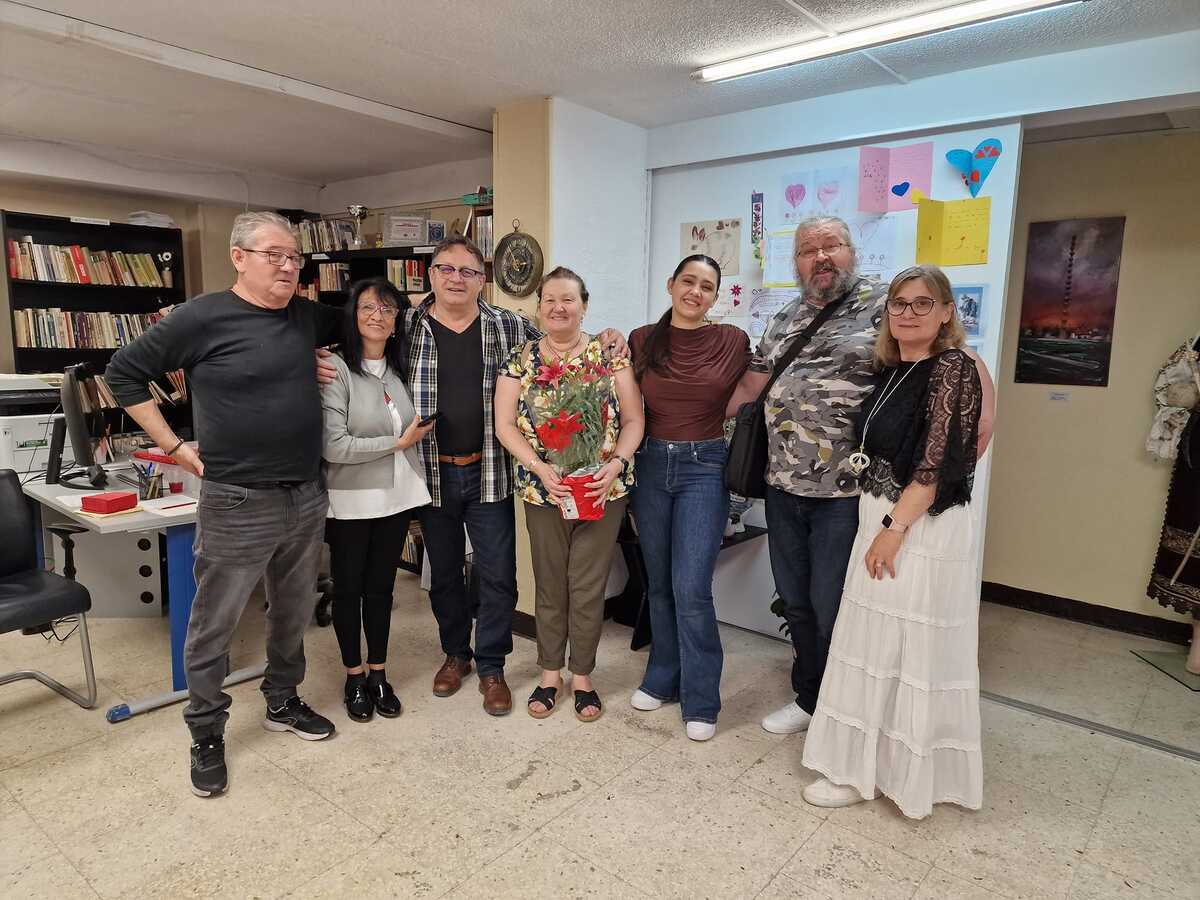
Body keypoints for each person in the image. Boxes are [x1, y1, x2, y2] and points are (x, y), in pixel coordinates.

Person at [725, 216, 994, 739]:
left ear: (853, 251)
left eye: (832, 245)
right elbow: (749, 389)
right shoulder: (785, 316)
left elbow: (959, 379)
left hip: (847, 496)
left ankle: (841, 710)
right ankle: (809, 698)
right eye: (808, 250)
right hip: (782, 488)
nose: (821, 257)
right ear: (796, 262)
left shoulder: (884, 306)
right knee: (796, 602)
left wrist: (930, 486)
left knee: (834, 607)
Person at [105, 211, 341, 798]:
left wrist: (329, 359)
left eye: (295, 257)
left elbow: (369, 319)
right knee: (215, 622)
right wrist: (174, 447)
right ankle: (206, 730)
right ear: (239, 257)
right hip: (237, 499)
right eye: (273, 255)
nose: (288, 266)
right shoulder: (201, 317)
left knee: (292, 612)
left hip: (305, 494)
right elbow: (123, 373)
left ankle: (281, 700)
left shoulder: (305, 316)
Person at [346, 236, 628, 717]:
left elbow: (561, 337)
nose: (456, 279)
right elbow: (361, 329)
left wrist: (611, 336)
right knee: (445, 574)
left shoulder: (508, 325)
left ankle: (492, 666)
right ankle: (456, 654)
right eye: (446, 269)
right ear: (431, 275)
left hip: (490, 470)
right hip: (431, 471)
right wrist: (329, 359)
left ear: (483, 280)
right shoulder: (406, 324)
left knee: (498, 575)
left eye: (468, 271)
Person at [800, 264, 985, 819]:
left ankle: (884, 773)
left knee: (902, 647)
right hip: (883, 514)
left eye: (923, 303)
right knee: (874, 644)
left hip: (915, 525)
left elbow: (937, 465)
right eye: (899, 303)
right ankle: (869, 767)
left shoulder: (953, 367)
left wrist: (895, 528)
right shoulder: (897, 367)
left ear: (947, 312)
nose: (908, 313)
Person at [494, 267, 644, 722]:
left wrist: (616, 463)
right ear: (539, 307)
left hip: (602, 490)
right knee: (550, 583)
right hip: (545, 492)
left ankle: (582, 677)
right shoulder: (520, 358)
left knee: (587, 586)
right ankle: (549, 674)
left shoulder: (610, 355)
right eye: (550, 300)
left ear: (584, 305)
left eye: (569, 300)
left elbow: (634, 420)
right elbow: (504, 425)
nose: (559, 308)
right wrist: (540, 468)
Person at [628, 255, 750, 741]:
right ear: (671, 284)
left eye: (707, 286)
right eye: (688, 281)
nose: (695, 292)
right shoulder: (642, 339)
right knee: (659, 582)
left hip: (705, 465)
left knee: (691, 587)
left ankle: (700, 698)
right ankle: (663, 677)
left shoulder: (732, 340)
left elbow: (760, 384)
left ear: (715, 296)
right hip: (651, 464)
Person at [321, 277, 434, 722]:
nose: (378, 316)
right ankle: (354, 676)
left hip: (396, 498)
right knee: (349, 591)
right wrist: (398, 443)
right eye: (368, 307)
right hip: (350, 500)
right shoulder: (335, 370)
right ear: (353, 315)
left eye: (388, 309)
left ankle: (379, 673)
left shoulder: (400, 369)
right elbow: (334, 446)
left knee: (381, 590)